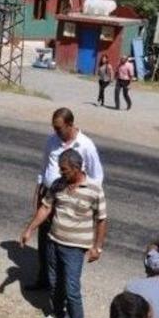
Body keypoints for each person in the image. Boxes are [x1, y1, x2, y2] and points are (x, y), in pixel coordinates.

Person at [21, 149, 108, 318]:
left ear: (77, 168)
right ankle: (57, 313)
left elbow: (101, 219)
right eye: (60, 169)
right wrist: (29, 230)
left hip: (75, 248)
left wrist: (98, 247)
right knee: (53, 281)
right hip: (53, 241)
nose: (61, 173)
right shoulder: (59, 185)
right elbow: (45, 207)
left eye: (64, 169)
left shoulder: (94, 189)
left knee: (71, 288)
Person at [31, 108, 104, 290]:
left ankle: (62, 285)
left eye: (59, 128)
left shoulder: (85, 145)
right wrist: (37, 193)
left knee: (64, 244)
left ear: (70, 125)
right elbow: (43, 168)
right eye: (54, 128)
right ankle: (44, 280)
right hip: (49, 194)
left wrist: (85, 199)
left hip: (71, 200)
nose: (56, 132)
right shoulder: (51, 141)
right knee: (45, 240)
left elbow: (97, 176)